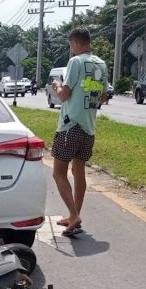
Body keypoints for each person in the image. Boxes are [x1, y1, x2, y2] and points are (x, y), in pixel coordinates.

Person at [50, 27, 108, 237]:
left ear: (74, 43)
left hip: (70, 125)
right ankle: (73, 214)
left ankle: (74, 216)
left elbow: (64, 95)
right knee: (78, 171)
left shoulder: (75, 62)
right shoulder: (101, 63)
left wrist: (57, 86)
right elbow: (103, 97)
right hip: (89, 127)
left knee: (58, 172)